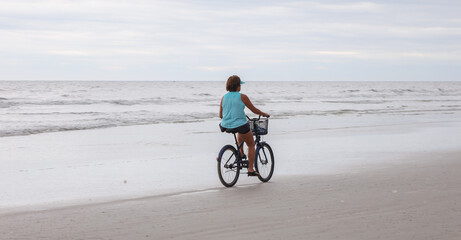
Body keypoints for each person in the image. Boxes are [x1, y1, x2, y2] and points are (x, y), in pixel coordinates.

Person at [219, 75, 270, 176]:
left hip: (225, 125)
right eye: (240, 85)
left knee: (240, 131)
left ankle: (241, 154)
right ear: (238, 86)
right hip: (240, 124)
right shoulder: (242, 97)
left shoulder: (223, 97)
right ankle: (251, 170)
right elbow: (254, 109)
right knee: (251, 144)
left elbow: (220, 115)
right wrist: (264, 114)